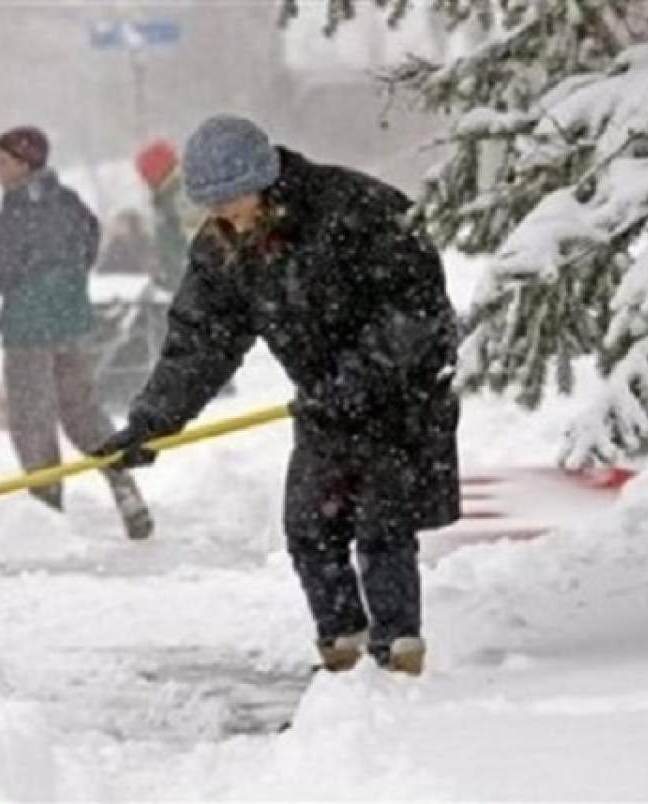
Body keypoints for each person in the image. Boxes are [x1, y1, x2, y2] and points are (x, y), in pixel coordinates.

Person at [96, 116, 461, 674]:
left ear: (264, 180)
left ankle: (398, 657)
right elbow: (200, 342)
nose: (223, 214)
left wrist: (360, 376)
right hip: (322, 405)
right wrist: (152, 423)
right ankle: (343, 651)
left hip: (398, 398)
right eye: (211, 203)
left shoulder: (355, 208)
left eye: (232, 199)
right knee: (311, 528)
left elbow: (418, 308)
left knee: (382, 528)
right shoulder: (224, 244)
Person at [0, 125, 153, 541]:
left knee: (33, 422)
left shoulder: (10, 222)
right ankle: (124, 487)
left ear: (24, 165)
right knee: (82, 414)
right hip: (73, 327)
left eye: (3, 162)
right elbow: (89, 247)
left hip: (28, 333)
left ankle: (49, 511)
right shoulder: (72, 207)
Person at [134, 139, 206, 296]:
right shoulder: (166, 196)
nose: (144, 181)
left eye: (145, 174)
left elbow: (195, 234)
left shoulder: (181, 195)